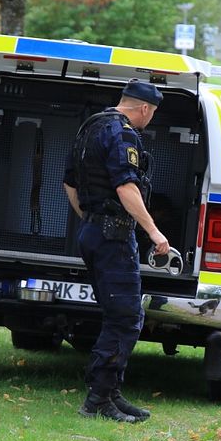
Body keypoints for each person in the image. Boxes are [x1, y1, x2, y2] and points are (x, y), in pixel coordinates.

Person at [62, 79, 170, 423]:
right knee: (125, 317)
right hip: (113, 236)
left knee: (117, 315)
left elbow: (69, 182)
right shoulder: (122, 133)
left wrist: (90, 217)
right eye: (150, 114)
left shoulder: (90, 127)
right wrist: (154, 232)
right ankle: (97, 401)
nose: (148, 121)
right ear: (143, 108)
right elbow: (126, 186)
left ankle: (110, 392)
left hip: (93, 232)